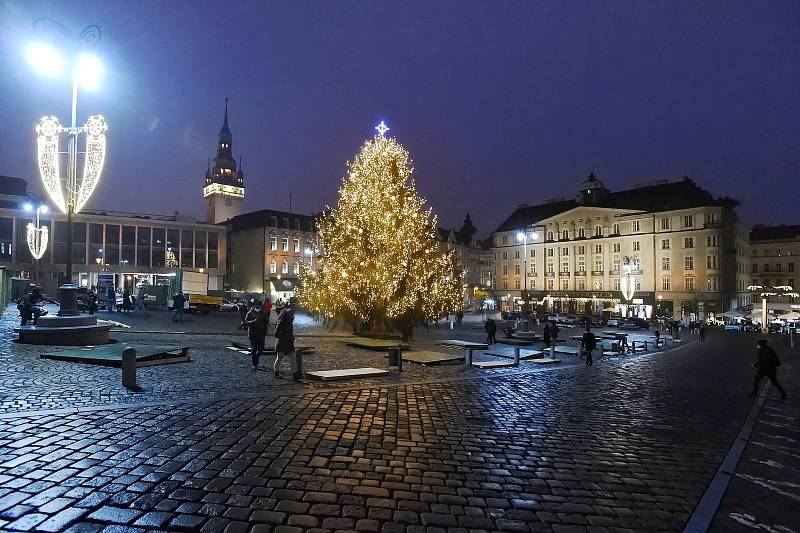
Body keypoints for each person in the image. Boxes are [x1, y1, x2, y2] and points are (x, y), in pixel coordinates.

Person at [273, 305, 298, 379]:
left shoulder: (290, 322)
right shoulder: (281, 322)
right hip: (282, 343)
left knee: (293, 358)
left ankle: (295, 374)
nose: (293, 316)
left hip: (289, 343)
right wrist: (284, 337)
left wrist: (291, 337)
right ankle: (276, 372)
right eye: (291, 314)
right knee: (279, 358)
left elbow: (289, 332)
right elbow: (276, 333)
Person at [246, 300, 268, 370]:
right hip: (253, 334)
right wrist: (253, 321)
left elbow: (266, 323)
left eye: (259, 305)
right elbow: (246, 322)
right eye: (257, 305)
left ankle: (256, 358)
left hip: (261, 334)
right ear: (254, 306)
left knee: (261, 349)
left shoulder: (263, 313)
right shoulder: (250, 313)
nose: (258, 307)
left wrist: (265, 332)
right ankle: (254, 364)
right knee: (254, 349)